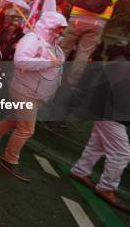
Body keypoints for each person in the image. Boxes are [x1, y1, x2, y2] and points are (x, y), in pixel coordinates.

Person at [0, 11, 67, 183]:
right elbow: (20, 61)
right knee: (27, 128)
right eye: (57, 28)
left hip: (36, 93)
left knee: (15, 119)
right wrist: (48, 62)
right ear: (49, 26)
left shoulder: (53, 44)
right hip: (25, 91)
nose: (59, 32)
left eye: (61, 29)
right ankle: (10, 159)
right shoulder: (32, 39)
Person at [54, 0, 125, 118]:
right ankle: (71, 82)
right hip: (97, 24)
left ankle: (53, 70)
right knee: (83, 54)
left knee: (64, 48)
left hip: (76, 20)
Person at [69, 44, 130, 213]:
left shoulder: (121, 62)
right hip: (111, 115)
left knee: (97, 146)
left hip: (104, 112)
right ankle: (106, 187)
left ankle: (80, 170)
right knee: (121, 153)